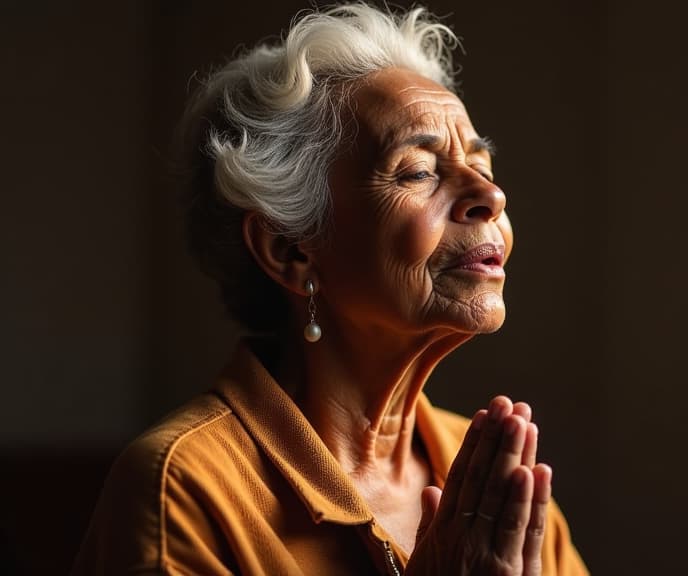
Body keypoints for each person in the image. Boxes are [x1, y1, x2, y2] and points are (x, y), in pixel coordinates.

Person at [71, 4, 587, 575]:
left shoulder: (490, 477)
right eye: (418, 171)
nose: (490, 196)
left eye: (481, 165)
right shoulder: (184, 488)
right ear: (289, 250)